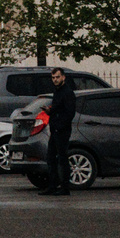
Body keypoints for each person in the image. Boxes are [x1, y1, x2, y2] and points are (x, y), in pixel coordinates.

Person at [44, 67, 79, 195]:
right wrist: (50, 111)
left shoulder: (67, 92)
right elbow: (58, 108)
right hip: (55, 130)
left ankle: (65, 187)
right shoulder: (57, 92)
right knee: (51, 158)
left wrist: (59, 125)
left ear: (63, 77)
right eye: (53, 78)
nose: (55, 80)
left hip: (62, 130)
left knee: (62, 158)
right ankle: (53, 185)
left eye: (57, 77)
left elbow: (69, 113)